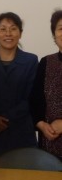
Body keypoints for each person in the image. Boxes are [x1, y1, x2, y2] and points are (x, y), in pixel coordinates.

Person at [0, 12, 38, 157]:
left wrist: (6, 118)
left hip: (21, 131)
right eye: (3, 29)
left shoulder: (31, 61)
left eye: (13, 28)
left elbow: (32, 97)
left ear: (20, 33)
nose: (8, 34)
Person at [30, 10, 62, 161]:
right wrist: (41, 124)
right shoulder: (46, 62)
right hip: (50, 142)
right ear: (54, 34)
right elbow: (35, 99)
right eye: (61, 28)